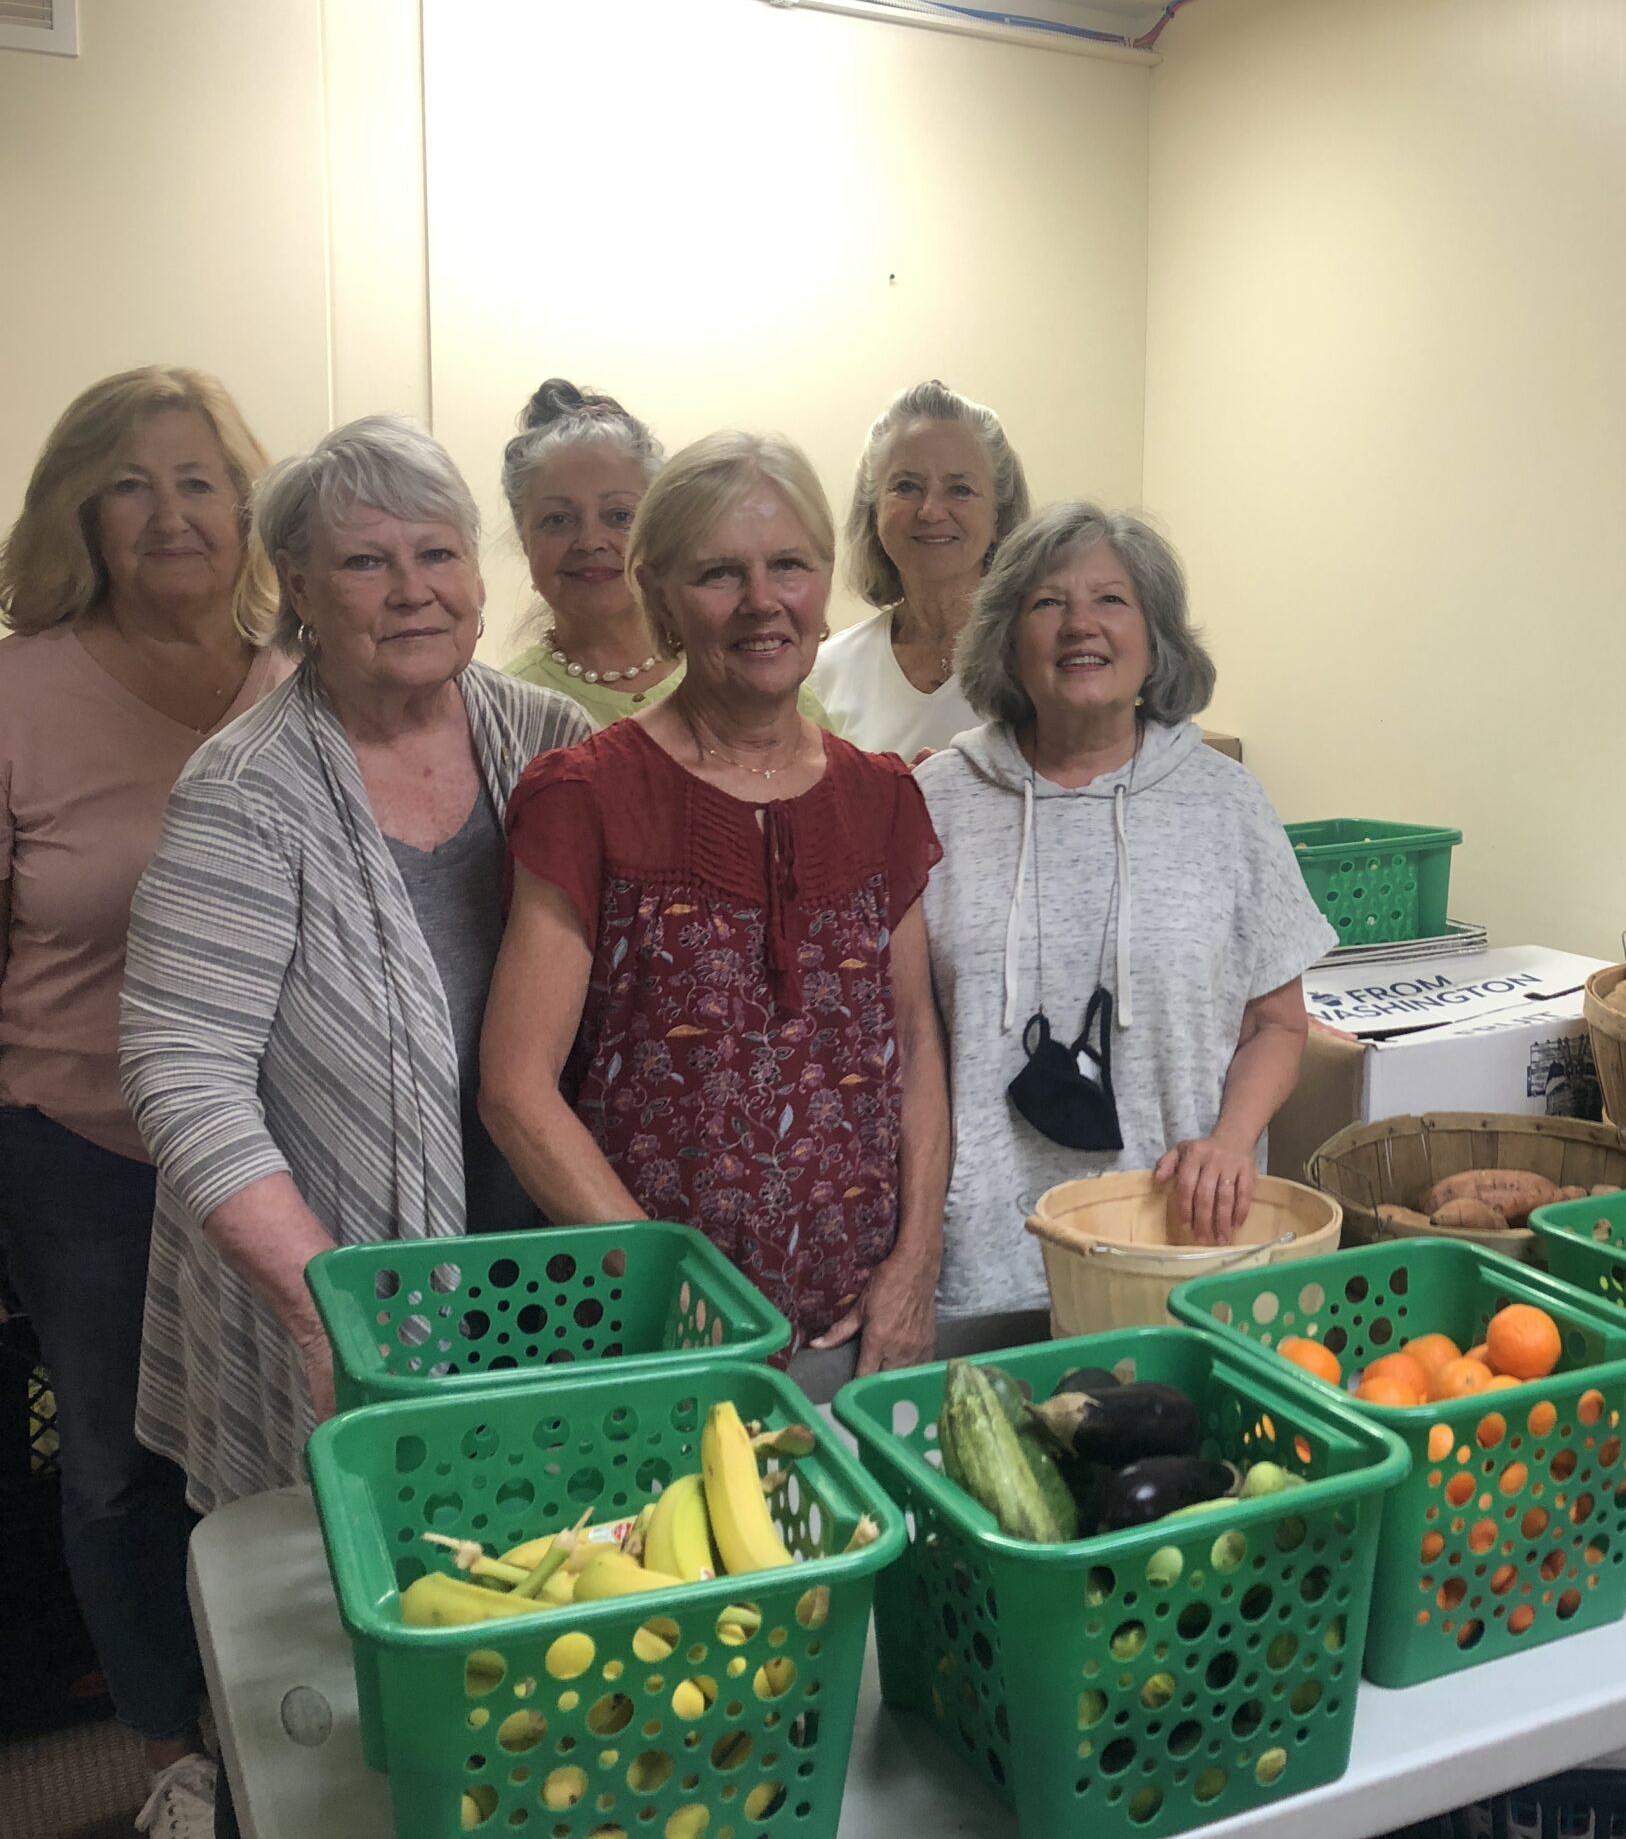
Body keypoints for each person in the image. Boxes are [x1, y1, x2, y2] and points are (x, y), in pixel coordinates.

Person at [118, 416, 589, 1516]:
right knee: (362, 1588)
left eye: (437, 553)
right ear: (299, 587)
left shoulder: (550, 737)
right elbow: (183, 1071)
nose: (412, 589)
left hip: (545, 1264)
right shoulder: (247, 792)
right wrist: (326, 1312)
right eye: (366, 562)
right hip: (341, 1272)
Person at [481, 431, 949, 1390]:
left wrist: (914, 1262)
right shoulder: (587, 797)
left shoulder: (882, 798)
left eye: (789, 566)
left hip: (852, 1325)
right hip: (644, 1329)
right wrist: (670, 1294)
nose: (762, 602)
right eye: (718, 574)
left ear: (825, 582)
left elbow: (915, 1046)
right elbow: (516, 1092)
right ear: (657, 594)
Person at [0, 367, 291, 1834]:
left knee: (284, 1432)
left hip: (282, 1150)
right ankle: (167, 1732)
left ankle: (291, 1704)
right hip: (85, 1150)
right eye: (132, 482)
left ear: (249, 507)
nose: (171, 513)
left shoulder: (309, 667)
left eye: (200, 480)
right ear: (81, 514)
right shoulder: (18, 691)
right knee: (117, 1462)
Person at [915, 502, 1335, 1351]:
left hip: (1186, 1249)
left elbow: (1277, 1023)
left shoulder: (1225, 803)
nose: (1080, 626)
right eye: (1046, 603)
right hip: (986, 1261)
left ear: (1156, 639)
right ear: (1005, 637)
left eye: (1111, 600)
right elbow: (908, 1043)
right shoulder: (936, 801)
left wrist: (1229, 1141)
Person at [497, 378, 834, 732]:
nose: (590, 541)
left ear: (658, 533)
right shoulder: (505, 712)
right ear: (524, 538)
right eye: (558, 520)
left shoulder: (754, 676)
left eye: (619, 516)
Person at [805, 379, 1030, 757]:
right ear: (873, 508)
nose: (930, 511)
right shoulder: (824, 674)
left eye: (959, 489)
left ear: (998, 515)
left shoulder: (1038, 657)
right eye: (907, 486)